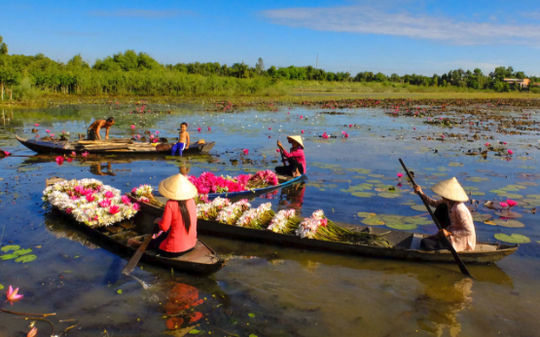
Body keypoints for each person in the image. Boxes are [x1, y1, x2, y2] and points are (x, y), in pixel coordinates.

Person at [414, 177, 476, 252]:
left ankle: (447, 241)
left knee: (424, 243)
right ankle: (443, 237)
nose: (442, 196)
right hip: (451, 231)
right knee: (441, 207)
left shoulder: (459, 209)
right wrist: (421, 193)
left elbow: (469, 231)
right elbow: (433, 203)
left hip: (460, 239)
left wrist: (449, 233)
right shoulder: (448, 202)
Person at [148, 174, 199, 257]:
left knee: (152, 242)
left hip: (174, 249)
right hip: (192, 244)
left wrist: (158, 221)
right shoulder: (191, 201)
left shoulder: (170, 204)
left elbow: (164, 227)